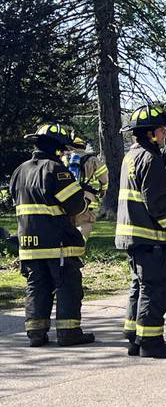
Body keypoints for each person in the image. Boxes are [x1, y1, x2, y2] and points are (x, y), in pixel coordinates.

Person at [10, 124, 95, 347]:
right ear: (57, 148)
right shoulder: (56, 170)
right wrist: (87, 199)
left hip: (28, 243)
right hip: (58, 243)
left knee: (37, 286)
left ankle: (36, 334)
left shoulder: (20, 171)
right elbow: (75, 206)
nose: (65, 154)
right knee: (67, 286)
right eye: (63, 150)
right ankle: (69, 334)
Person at [116, 104, 166, 358]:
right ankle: (151, 342)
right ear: (152, 134)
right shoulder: (151, 158)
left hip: (131, 236)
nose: (165, 135)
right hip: (149, 236)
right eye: (163, 131)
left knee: (140, 286)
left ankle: (135, 338)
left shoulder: (130, 156)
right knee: (156, 287)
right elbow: (156, 204)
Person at [64, 137, 108, 239]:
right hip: (86, 198)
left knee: (69, 223)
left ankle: (68, 249)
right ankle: (80, 245)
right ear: (83, 147)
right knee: (85, 222)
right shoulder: (92, 160)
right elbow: (104, 177)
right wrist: (103, 190)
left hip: (66, 197)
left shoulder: (65, 159)